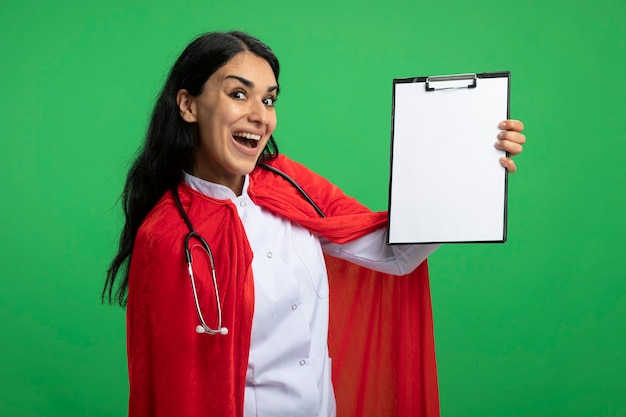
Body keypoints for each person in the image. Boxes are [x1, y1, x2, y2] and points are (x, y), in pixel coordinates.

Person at [103, 31, 526, 417]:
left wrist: (470, 168)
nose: (259, 115)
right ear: (188, 105)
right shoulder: (166, 237)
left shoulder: (288, 183)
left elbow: (392, 253)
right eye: (238, 94)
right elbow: (179, 395)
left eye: (268, 100)